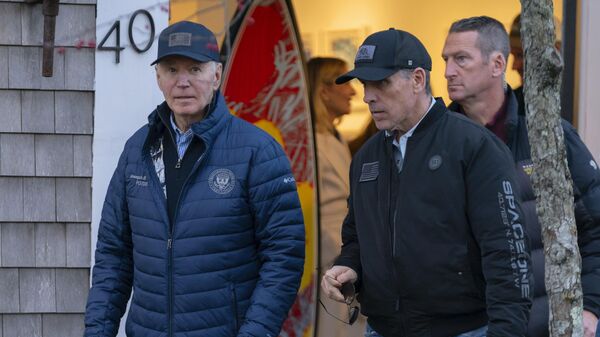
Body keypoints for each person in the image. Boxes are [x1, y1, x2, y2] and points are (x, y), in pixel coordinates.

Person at [84, 21, 305, 337]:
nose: (182, 82)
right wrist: (97, 331)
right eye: (172, 70)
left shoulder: (257, 150)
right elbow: (114, 256)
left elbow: (284, 257)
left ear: (216, 75)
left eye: (195, 69)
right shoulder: (138, 149)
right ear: (158, 78)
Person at [321, 28, 533, 337]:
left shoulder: (473, 146)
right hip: (381, 329)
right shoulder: (366, 157)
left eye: (381, 83)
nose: (368, 96)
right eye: (365, 84)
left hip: (463, 330)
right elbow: (355, 236)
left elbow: (507, 253)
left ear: (418, 79)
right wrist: (349, 265)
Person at [443, 16, 600, 337]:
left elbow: (595, 227)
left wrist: (591, 307)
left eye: (461, 59)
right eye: (445, 60)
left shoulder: (549, 137)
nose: (448, 72)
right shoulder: (435, 144)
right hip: (464, 325)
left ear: (497, 63)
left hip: (540, 324)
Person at [307, 57, 366, 336]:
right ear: (323, 91)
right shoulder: (310, 146)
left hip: (346, 255)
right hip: (328, 258)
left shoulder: (336, 136)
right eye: (345, 83)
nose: (353, 91)